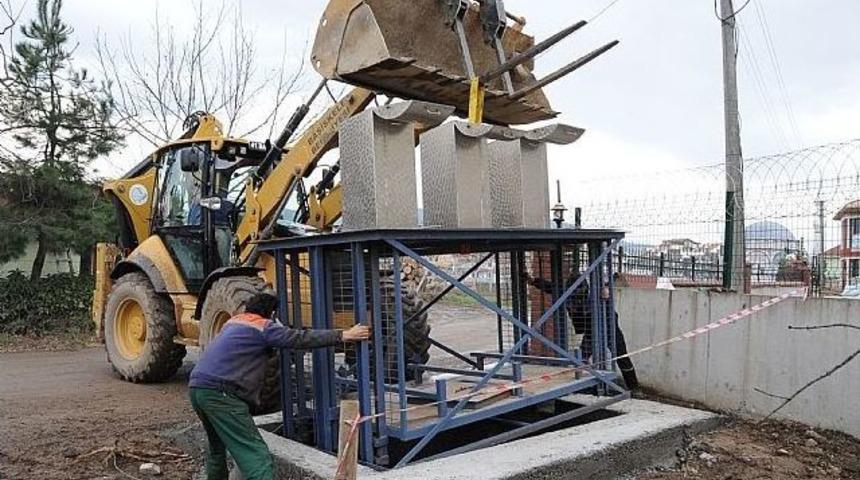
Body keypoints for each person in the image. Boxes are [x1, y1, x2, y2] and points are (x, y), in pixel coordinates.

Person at [189, 292, 371, 480]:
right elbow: (299, 338)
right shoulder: (263, 327)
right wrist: (344, 335)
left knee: (216, 447)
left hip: (197, 388)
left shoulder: (233, 323)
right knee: (256, 456)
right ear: (272, 313)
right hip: (222, 394)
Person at [524, 272, 639, 390]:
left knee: (622, 357)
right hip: (590, 329)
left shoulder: (595, 292)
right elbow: (551, 287)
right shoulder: (568, 292)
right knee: (582, 358)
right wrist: (533, 280)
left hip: (610, 328)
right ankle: (578, 386)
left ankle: (634, 387)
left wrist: (607, 294)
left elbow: (609, 285)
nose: (577, 298)